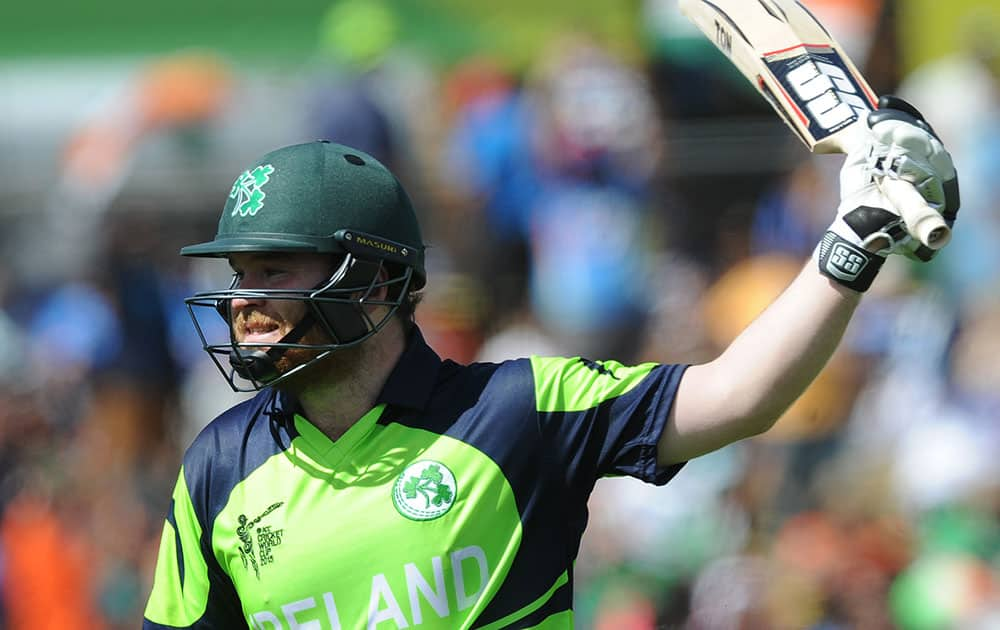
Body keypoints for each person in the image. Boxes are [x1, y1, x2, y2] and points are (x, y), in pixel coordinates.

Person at [143, 96, 959, 628]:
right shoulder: (218, 466)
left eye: (275, 271)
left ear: (376, 280)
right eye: (239, 272)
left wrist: (853, 239)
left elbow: (738, 395)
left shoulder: (519, 409)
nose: (244, 299)